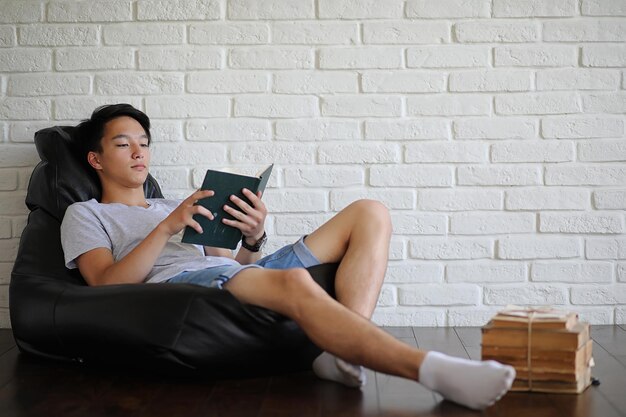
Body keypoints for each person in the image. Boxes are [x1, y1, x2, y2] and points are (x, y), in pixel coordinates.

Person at [60, 104, 515, 411]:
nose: (140, 152)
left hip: (227, 276)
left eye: (144, 141)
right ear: (96, 160)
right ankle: (431, 370)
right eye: (123, 144)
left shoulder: (174, 204)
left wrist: (254, 236)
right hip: (184, 291)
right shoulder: (85, 213)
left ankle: (340, 354)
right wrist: (166, 228)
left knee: (369, 213)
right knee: (296, 283)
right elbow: (104, 285)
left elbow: (232, 266)